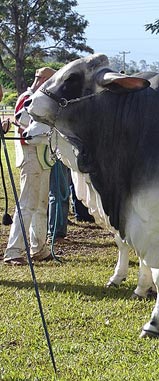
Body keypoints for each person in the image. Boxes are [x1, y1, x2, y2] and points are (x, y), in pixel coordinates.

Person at [3, 67, 56, 265]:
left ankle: (38, 248)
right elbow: (22, 119)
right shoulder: (28, 98)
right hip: (31, 155)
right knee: (26, 205)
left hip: (43, 155)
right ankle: (14, 251)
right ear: (42, 80)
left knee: (41, 206)